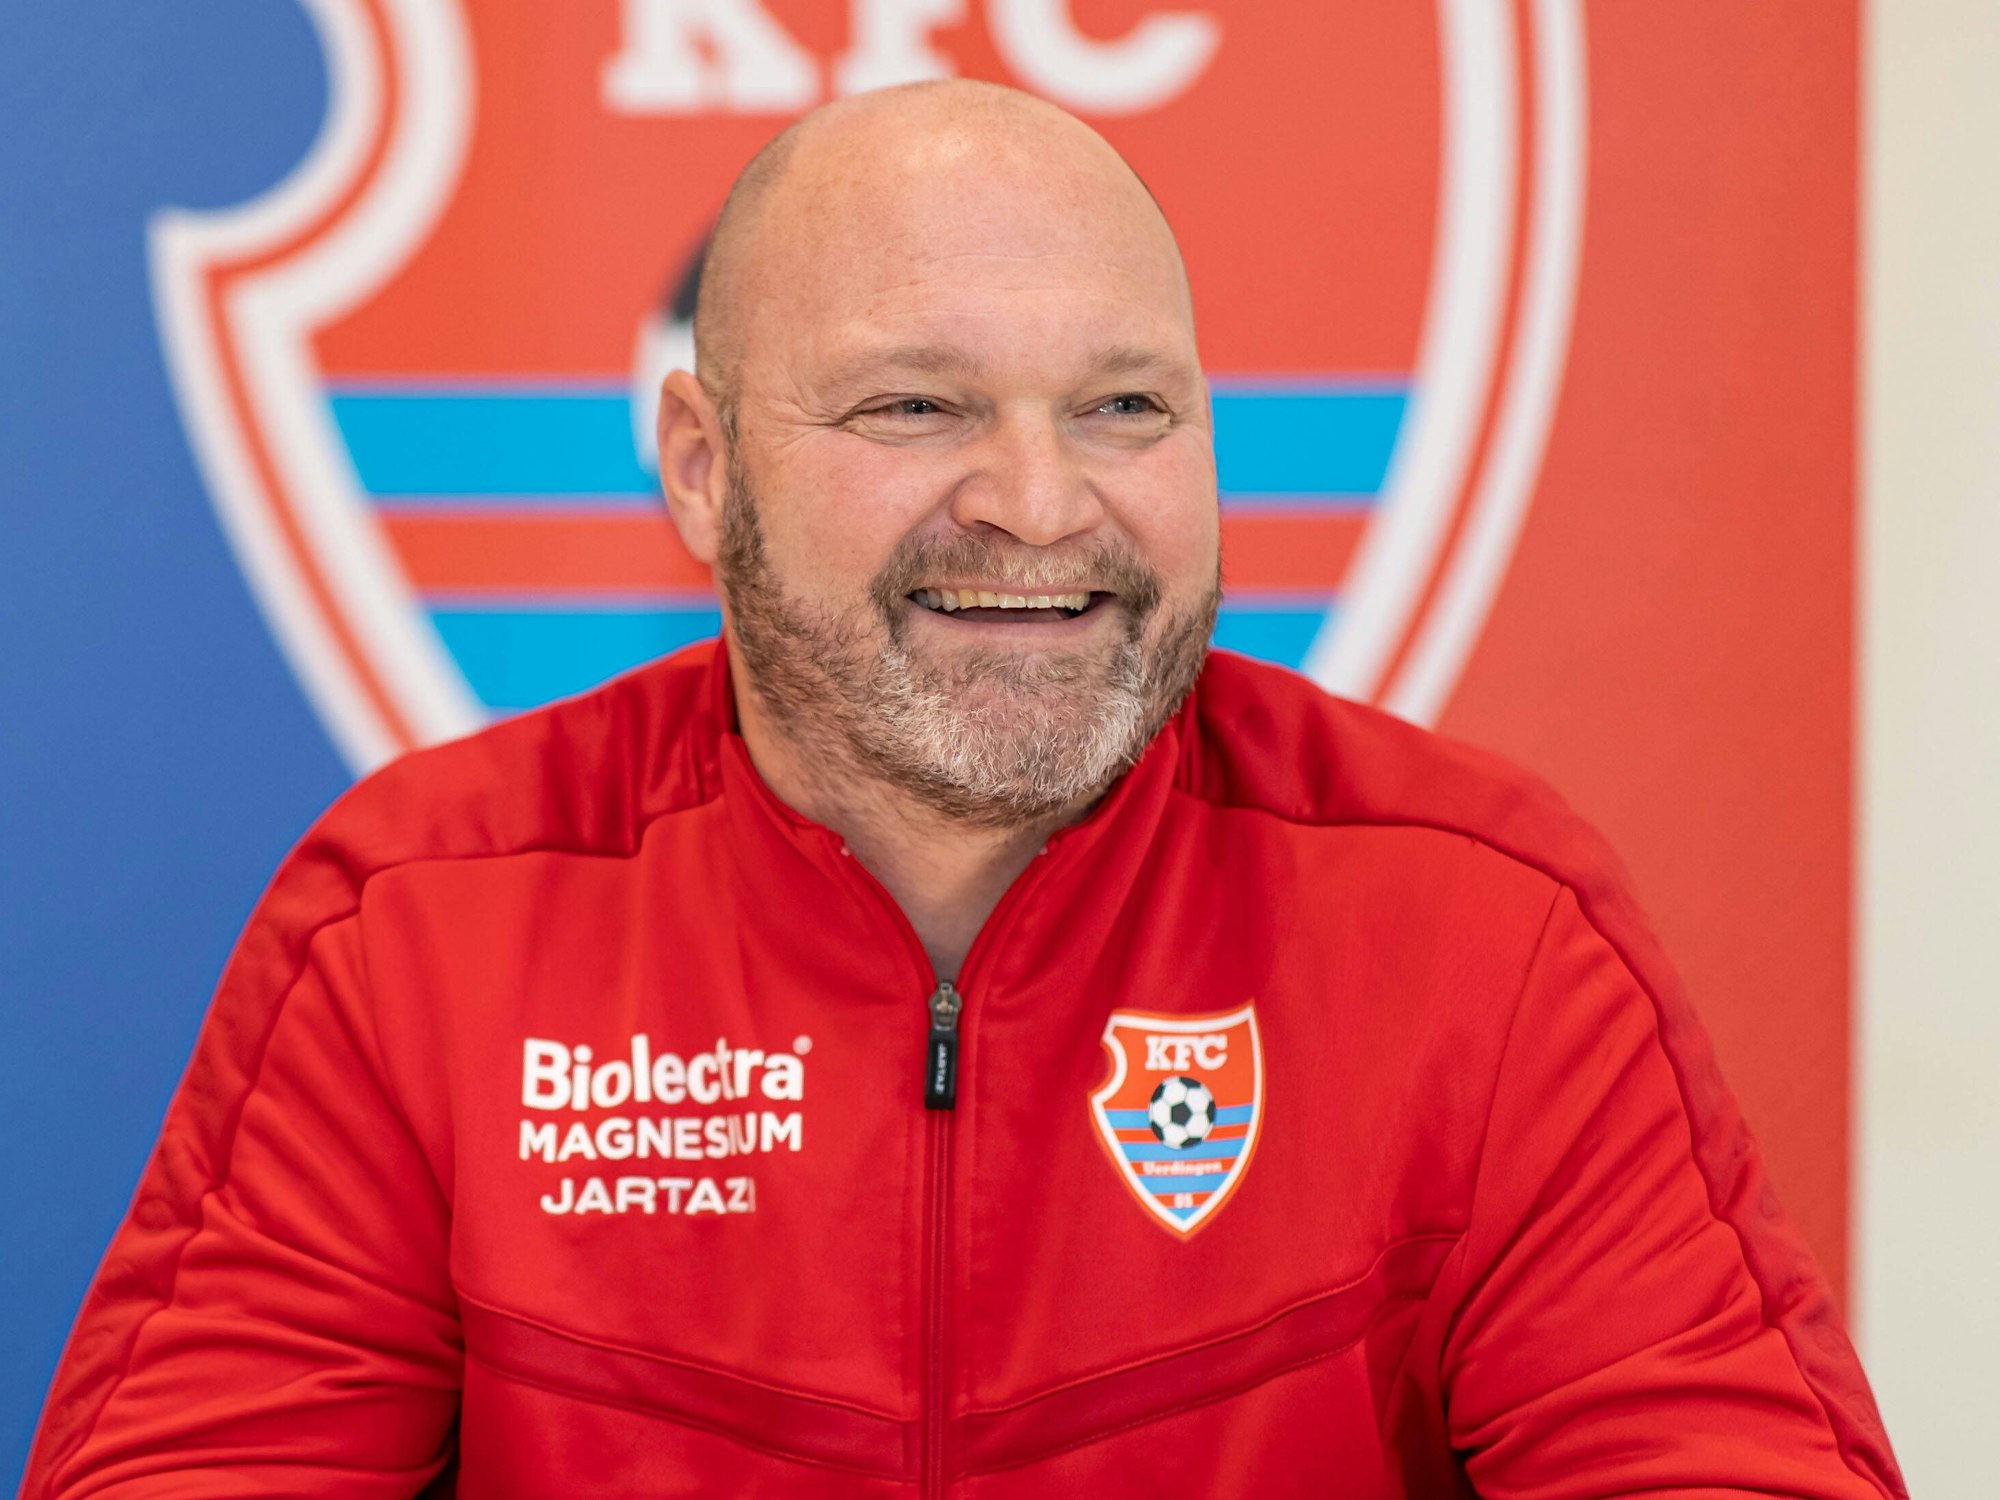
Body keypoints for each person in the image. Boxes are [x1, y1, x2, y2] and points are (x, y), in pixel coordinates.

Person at [25, 80, 1902, 1498]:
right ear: (702, 465)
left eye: (1125, 407)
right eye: (913, 406)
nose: (1039, 502)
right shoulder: (424, 920)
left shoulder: (1478, 923)